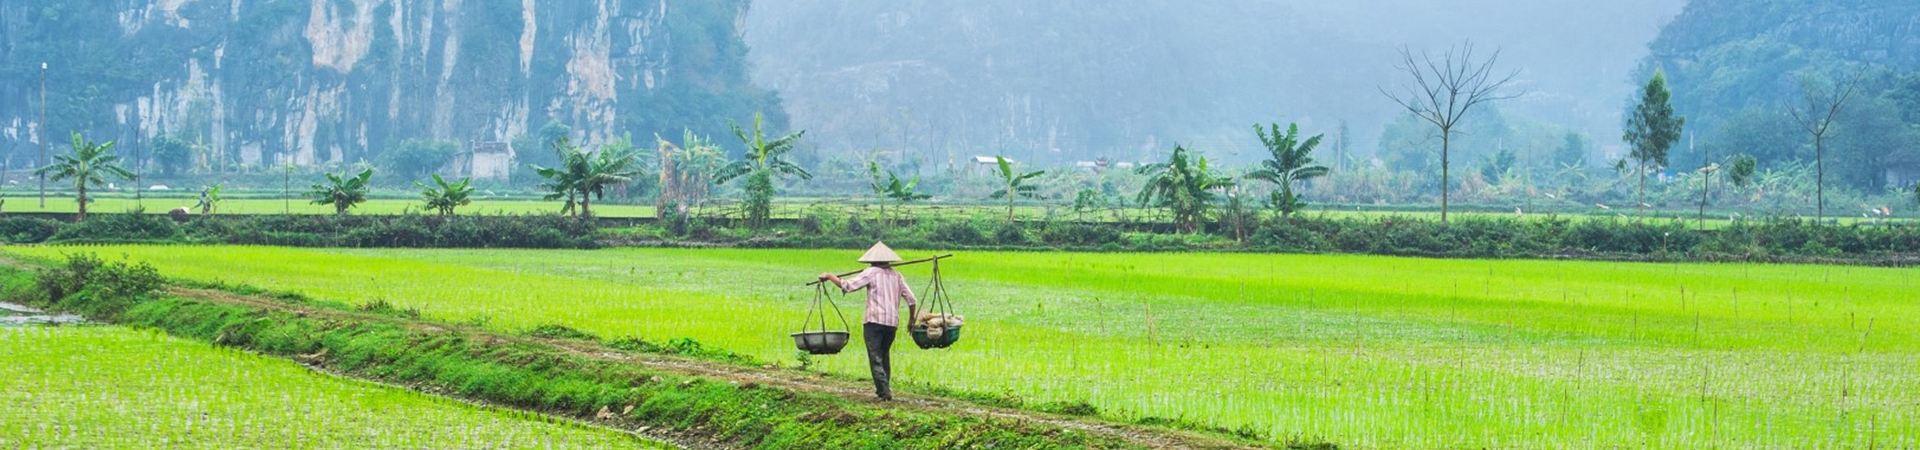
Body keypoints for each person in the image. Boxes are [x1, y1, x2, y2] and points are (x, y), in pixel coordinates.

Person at [819, 242, 918, 400]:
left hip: (874, 322)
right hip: (892, 323)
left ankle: (884, 392)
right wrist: (911, 319)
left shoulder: (871, 272)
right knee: (884, 355)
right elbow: (912, 300)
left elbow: (848, 286)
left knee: (875, 356)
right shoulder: (897, 276)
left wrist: (829, 276)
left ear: (872, 260)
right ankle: (883, 389)